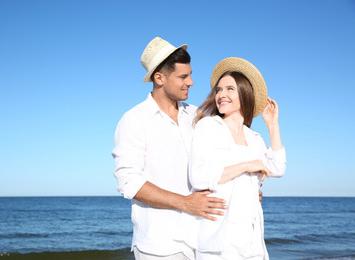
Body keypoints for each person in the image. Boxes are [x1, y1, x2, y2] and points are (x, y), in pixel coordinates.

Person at [112, 37, 227, 260]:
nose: (191, 82)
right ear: (159, 78)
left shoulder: (197, 115)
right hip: (160, 246)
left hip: (204, 240)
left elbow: (217, 162)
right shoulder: (134, 120)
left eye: (191, 74)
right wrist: (185, 203)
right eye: (183, 76)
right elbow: (129, 182)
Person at [175, 57, 286, 259]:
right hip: (217, 243)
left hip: (252, 244)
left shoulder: (254, 138)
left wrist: (272, 126)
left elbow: (277, 168)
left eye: (229, 89)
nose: (221, 95)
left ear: (245, 93)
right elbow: (199, 177)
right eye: (218, 90)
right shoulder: (208, 127)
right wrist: (246, 165)